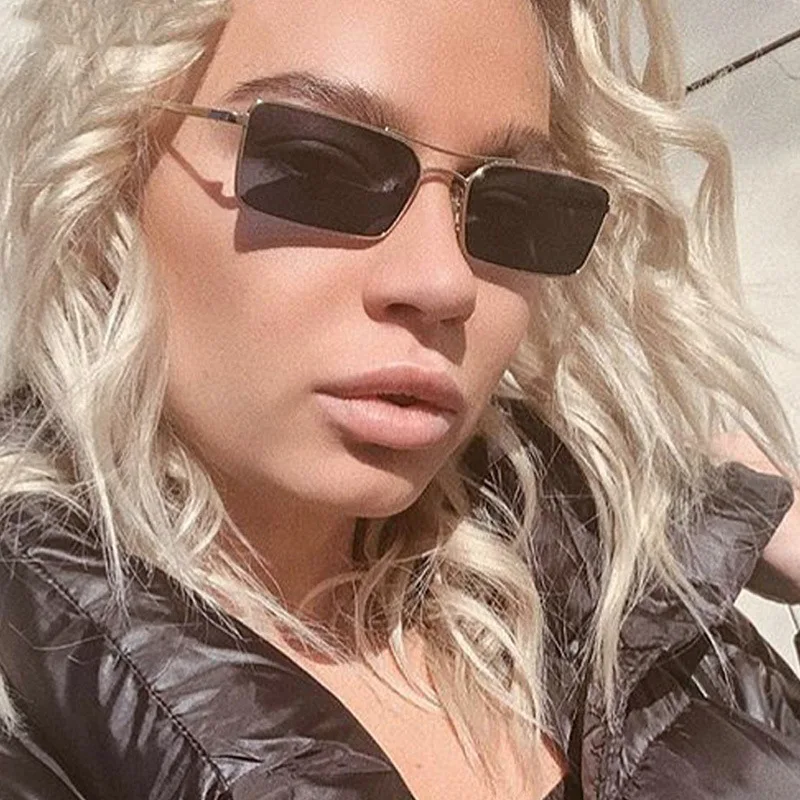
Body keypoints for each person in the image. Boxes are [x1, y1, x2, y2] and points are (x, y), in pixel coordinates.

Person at [0, 0, 798, 798]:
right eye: (318, 165)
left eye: (514, 204)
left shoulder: (628, 596)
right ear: (104, 171)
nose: (445, 282)